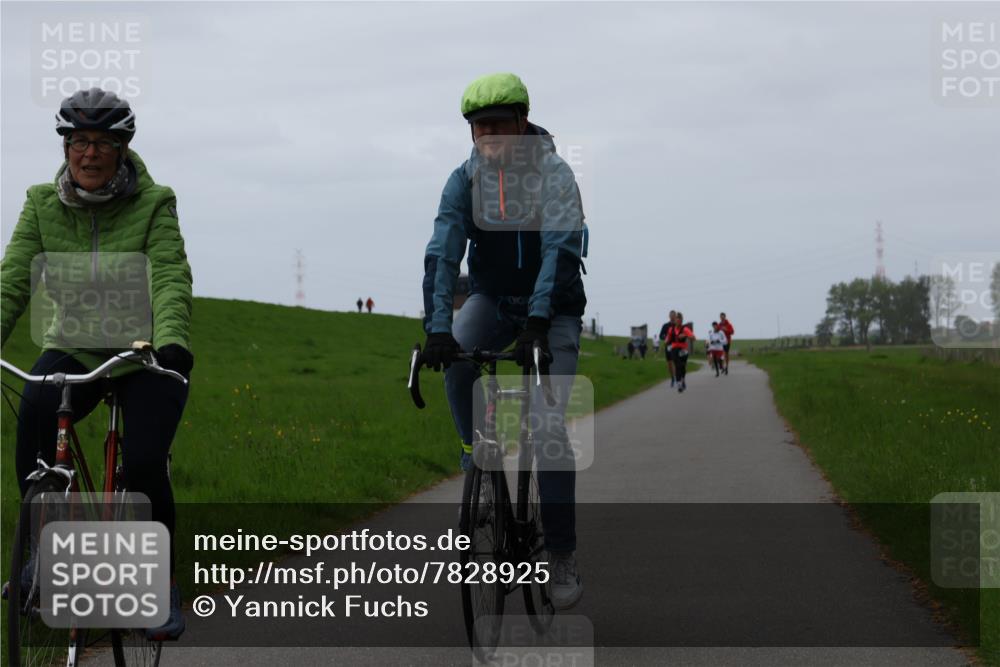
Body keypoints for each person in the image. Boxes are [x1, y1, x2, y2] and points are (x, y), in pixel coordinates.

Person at [0, 88, 192, 640]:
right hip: (75, 344)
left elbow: (170, 275)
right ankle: (43, 552)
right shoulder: (41, 203)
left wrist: (172, 342)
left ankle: (158, 585)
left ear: (123, 148)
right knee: (35, 417)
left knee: (145, 462)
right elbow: (14, 280)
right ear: (65, 147)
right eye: (78, 141)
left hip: (145, 351)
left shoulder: (155, 202)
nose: (89, 154)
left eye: (103, 143)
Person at [420, 73, 587, 610]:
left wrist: (539, 321)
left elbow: (560, 249)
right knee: (459, 364)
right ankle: (475, 455)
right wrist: (437, 327)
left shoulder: (555, 174)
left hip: (553, 309)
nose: (489, 137)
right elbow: (443, 250)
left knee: (547, 422)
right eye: (479, 128)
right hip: (491, 300)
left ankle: (560, 553)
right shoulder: (462, 181)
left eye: (498, 126)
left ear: (522, 123)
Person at [665, 311, 695, 392]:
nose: (677, 321)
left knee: (683, 366)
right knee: (677, 365)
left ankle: (682, 379)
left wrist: (685, 335)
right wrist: (667, 340)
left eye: (679, 319)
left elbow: (693, 338)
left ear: (681, 320)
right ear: (675, 320)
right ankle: (679, 384)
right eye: (676, 319)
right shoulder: (671, 329)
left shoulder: (685, 329)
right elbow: (667, 339)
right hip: (674, 349)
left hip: (683, 350)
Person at [658, 310, 676, 386]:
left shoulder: (678, 325)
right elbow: (660, 335)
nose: (672, 317)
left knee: (676, 362)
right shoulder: (665, 326)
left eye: (673, 315)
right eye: (671, 315)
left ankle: (677, 377)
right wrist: (665, 337)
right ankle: (672, 378)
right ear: (669, 316)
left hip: (676, 345)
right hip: (668, 346)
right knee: (669, 363)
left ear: (675, 316)